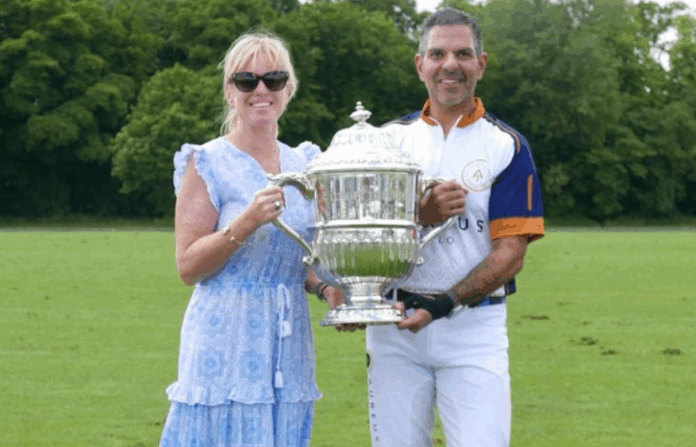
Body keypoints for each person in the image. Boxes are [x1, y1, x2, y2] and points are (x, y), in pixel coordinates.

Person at [364, 8, 545, 447]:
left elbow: (510, 254)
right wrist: (419, 215)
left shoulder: (506, 145)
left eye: (463, 54)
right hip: (393, 329)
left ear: (481, 64)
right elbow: (365, 237)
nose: (450, 65)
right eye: (438, 54)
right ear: (420, 64)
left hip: (473, 328)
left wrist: (444, 303)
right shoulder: (386, 140)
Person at [159, 31, 342, 447]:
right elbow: (188, 267)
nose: (261, 90)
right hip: (224, 341)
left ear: (288, 89)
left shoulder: (306, 163)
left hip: (288, 343)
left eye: (273, 79)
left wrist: (326, 286)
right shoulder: (207, 161)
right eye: (247, 80)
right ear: (230, 92)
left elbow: (300, 260)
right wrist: (244, 224)